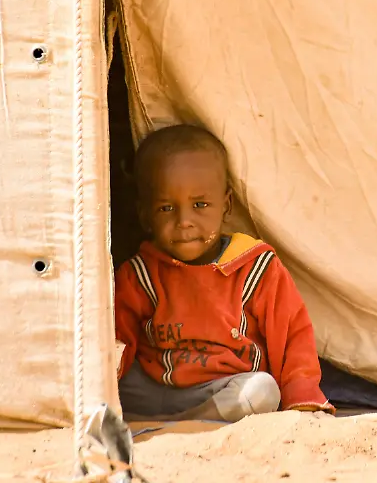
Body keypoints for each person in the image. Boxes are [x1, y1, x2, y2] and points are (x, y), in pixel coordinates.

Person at [114, 124, 335, 422]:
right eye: (166, 208)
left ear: (226, 205)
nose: (184, 221)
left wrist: (301, 394)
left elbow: (292, 336)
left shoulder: (254, 267)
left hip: (223, 388)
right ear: (145, 215)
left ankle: (188, 422)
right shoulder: (140, 273)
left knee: (262, 390)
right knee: (105, 381)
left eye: (200, 204)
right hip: (156, 390)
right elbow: (119, 340)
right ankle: (193, 422)